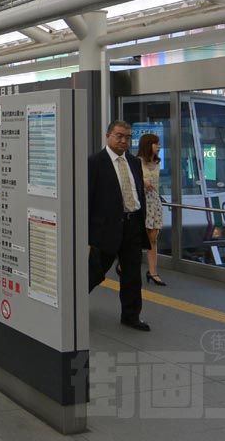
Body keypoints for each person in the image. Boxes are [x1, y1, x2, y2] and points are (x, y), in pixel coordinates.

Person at [87, 120, 151, 331]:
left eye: (128, 137)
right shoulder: (95, 162)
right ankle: (71, 305)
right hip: (105, 228)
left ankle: (131, 316)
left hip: (132, 226)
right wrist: (86, 235)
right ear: (108, 136)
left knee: (133, 275)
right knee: (94, 272)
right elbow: (87, 199)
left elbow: (138, 192)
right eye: (119, 136)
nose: (124, 140)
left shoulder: (133, 162)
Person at [138, 133, 166, 286]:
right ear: (148, 145)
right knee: (137, 237)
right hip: (141, 202)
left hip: (154, 201)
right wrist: (143, 181)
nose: (159, 146)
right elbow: (133, 182)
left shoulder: (157, 162)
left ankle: (153, 272)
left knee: (153, 237)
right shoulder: (137, 162)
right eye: (156, 143)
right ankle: (125, 265)